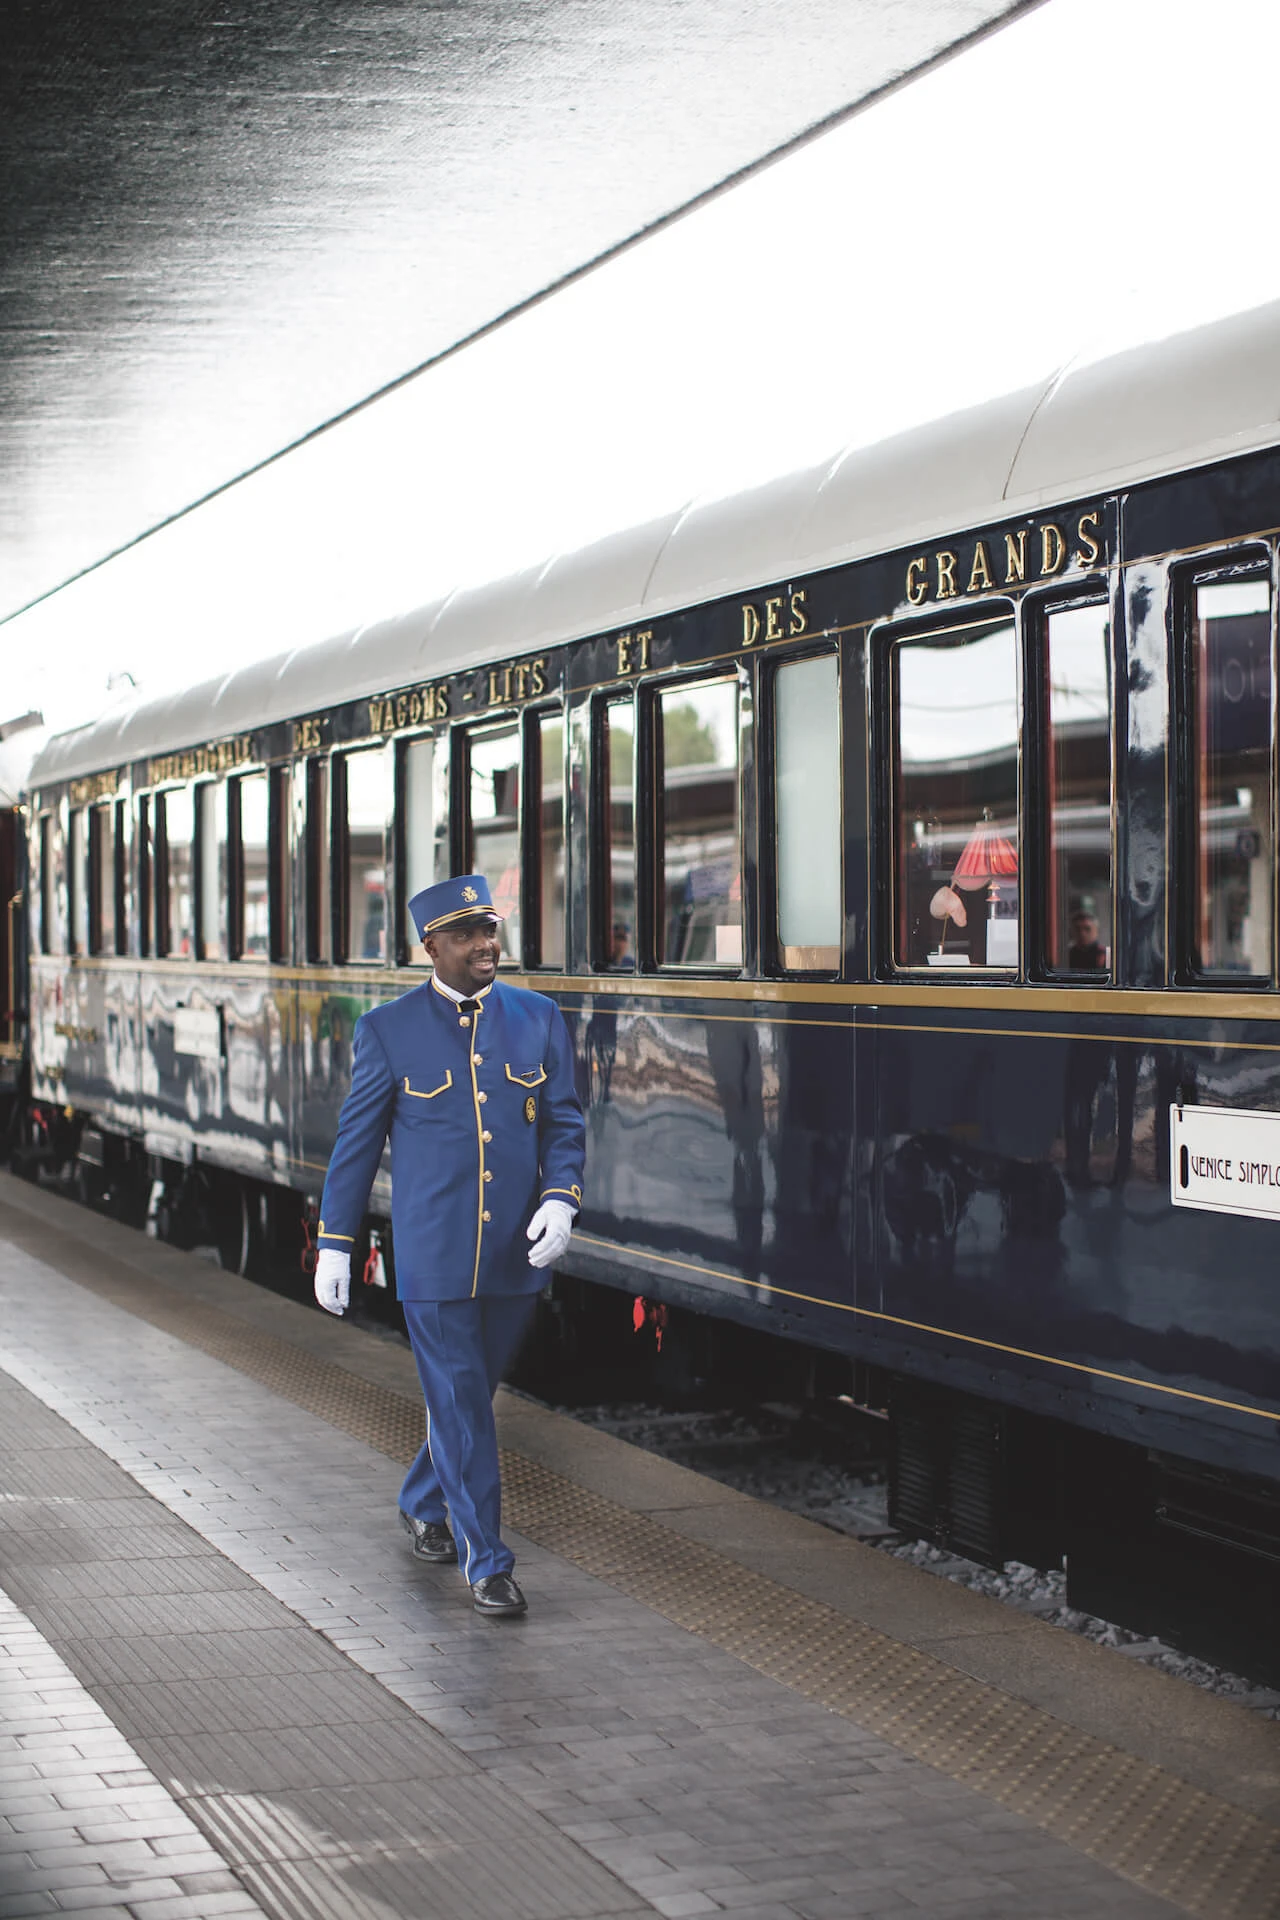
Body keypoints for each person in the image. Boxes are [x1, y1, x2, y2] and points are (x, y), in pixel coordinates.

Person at [311, 874, 585, 1618]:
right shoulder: (388, 1030)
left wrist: (561, 1199)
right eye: (466, 936)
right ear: (430, 946)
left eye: (490, 930)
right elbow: (356, 1147)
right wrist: (335, 1243)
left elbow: (563, 1122)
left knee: (469, 1399)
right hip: (433, 1261)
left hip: (513, 1255)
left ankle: (420, 1499)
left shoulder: (536, 1017)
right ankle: (487, 1562)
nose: (485, 946)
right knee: (465, 1409)